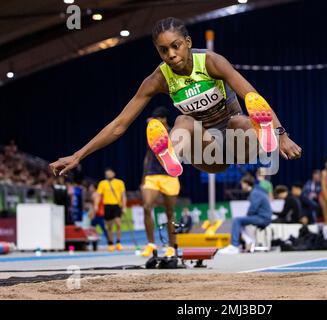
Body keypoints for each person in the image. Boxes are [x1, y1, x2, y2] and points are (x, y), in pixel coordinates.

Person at [49, 17, 302, 180]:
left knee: (241, 121)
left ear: (188, 42)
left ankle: (267, 135)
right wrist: (78, 155)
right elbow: (119, 125)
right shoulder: (157, 79)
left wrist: (283, 135)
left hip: (238, 142)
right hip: (207, 153)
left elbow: (252, 95)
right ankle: (171, 156)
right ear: (158, 51)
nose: (170, 54)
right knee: (183, 120)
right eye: (163, 50)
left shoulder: (212, 62)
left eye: (176, 46)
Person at [140, 107, 180, 258]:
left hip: (169, 176)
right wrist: (143, 179)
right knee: (146, 206)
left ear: (163, 119)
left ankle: (172, 247)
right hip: (152, 175)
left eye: (156, 120)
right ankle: (151, 244)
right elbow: (147, 157)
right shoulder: (152, 134)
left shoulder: (174, 133)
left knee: (170, 212)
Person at [218, 174, 272, 254]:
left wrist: (246, 217)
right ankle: (248, 240)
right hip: (262, 217)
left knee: (237, 220)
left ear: (246, 184)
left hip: (263, 218)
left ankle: (234, 246)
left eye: (242, 184)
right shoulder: (257, 190)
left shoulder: (255, 193)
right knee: (241, 222)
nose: (241, 186)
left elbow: (253, 209)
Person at [95, 168, 127, 252]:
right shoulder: (102, 183)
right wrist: (96, 205)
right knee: (109, 227)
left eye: (110, 173)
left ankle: (118, 243)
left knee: (118, 224)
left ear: (113, 173)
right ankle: (110, 243)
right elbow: (98, 195)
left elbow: (123, 195)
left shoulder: (120, 182)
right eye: (107, 174)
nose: (109, 175)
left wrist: (124, 207)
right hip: (107, 206)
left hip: (117, 206)